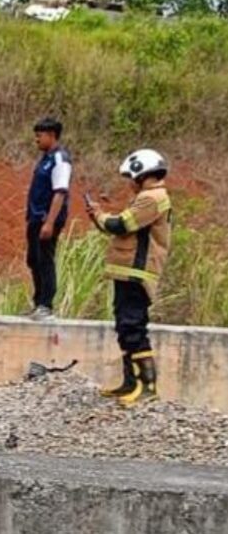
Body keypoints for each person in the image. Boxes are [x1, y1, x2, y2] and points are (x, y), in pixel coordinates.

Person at [86, 149, 171, 407]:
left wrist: (100, 216)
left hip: (137, 273)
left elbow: (123, 225)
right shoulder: (148, 197)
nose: (129, 183)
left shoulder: (152, 198)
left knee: (133, 327)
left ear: (141, 173)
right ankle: (131, 382)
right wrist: (100, 218)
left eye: (130, 177)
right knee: (125, 327)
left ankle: (147, 387)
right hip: (128, 273)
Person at [25, 117, 72, 321]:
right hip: (36, 217)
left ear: (52, 135)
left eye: (40, 135)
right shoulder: (45, 159)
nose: (36, 139)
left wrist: (50, 222)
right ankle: (38, 303)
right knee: (33, 259)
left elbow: (60, 192)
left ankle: (46, 305)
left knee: (45, 259)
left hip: (47, 218)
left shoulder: (60, 159)